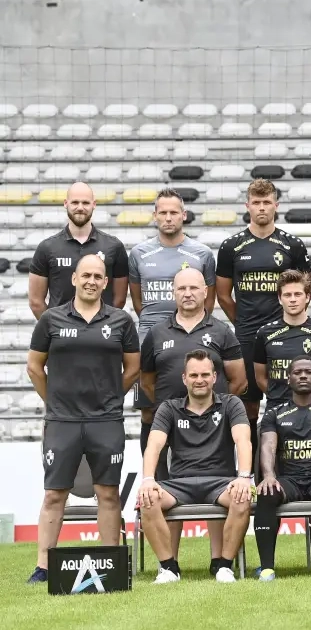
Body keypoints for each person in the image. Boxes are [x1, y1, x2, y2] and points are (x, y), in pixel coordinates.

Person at [25, 254, 139, 584]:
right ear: (74, 279)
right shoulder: (51, 319)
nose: (91, 281)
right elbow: (34, 367)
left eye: (98, 276)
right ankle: (43, 567)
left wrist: (111, 398)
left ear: (105, 283)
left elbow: (132, 368)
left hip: (106, 421)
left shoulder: (121, 321)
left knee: (108, 493)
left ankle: (110, 564)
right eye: (85, 275)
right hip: (62, 422)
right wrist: (54, 402)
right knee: (54, 494)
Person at [140, 267, 246, 572]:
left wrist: (217, 408)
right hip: (168, 422)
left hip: (214, 423)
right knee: (160, 488)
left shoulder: (222, 331)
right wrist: (172, 407)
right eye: (182, 288)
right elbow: (147, 380)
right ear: (174, 293)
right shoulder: (157, 332)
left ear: (205, 292)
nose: (188, 294)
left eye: (194, 288)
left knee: (218, 482)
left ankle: (220, 563)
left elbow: (238, 380)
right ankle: (169, 566)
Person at [138, 351, 255, 583]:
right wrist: (148, 480)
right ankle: (169, 568)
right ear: (184, 378)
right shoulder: (169, 408)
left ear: (214, 377)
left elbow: (243, 440)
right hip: (179, 484)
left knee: (243, 497)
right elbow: (154, 446)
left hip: (220, 483)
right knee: (147, 499)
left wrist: (244, 477)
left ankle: (224, 567)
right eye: (193, 375)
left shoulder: (231, 404)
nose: (199, 380)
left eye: (204, 375)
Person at [216, 178, 311, 428]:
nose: (261, 208)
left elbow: (305, 290)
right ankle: (251, 453)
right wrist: (242, 321)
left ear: (276, 206)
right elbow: (223, 294)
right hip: (247, 335)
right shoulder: (231, 246)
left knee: (291, 397)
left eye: (267, 202)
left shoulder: (292, 245)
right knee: (249, 404)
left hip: (287, 333)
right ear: (247, 206)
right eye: (256, 202)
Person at [130, 190, 218, 441]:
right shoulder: (138, 253)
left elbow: (208, 301)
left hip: (191, 339)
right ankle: (153, 466)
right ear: (155, 216)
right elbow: (138, 301)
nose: (168, 218)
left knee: (198, 406)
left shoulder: (202, 254)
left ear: (184, 215)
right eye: (163, 213)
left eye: (173, 212)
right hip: (149, 341)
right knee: (149, 412)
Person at [254, 356, 311, 581]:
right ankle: (266, 568)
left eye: (308, 372)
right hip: (289, 481)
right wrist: (269, 476)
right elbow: (267, 446)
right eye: (297, 372)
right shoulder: (274, 413)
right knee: (267, 491)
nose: (303, 376)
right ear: (288, 379)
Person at [28, 181, 129, 318]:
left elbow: (119, 299)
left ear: (94, 204)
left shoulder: (114, 246)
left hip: (101, 329)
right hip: (61, 330)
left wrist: (103, 322)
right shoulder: (47, 248)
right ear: (66, 203)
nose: (80, 208)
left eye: (85, 203)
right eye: (75, 202)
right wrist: (54, 326)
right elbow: (36, 302)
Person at [253, 270, 311, 413]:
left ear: (307, 297)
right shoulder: (264, 333)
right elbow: (260, 378)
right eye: (287, 295)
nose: (292, 299)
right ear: (280, 298)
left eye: (297, 294)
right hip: (276, 410)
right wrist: (277, 397)